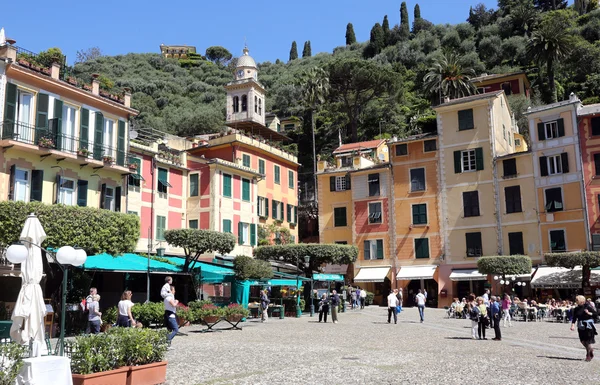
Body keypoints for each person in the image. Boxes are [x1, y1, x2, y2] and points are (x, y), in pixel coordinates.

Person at [571, 295, 598, 361]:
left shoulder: (587, 306)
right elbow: (574, 318)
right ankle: (590, 350)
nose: (576, 301)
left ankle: (588, 355)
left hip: (588, 326)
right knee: (582, 341)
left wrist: (589, 313)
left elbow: (596, 314)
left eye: (577, 300)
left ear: (581, 301)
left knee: (588, 341)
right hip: (581, 325)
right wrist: (572, 325)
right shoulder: (576, 309)